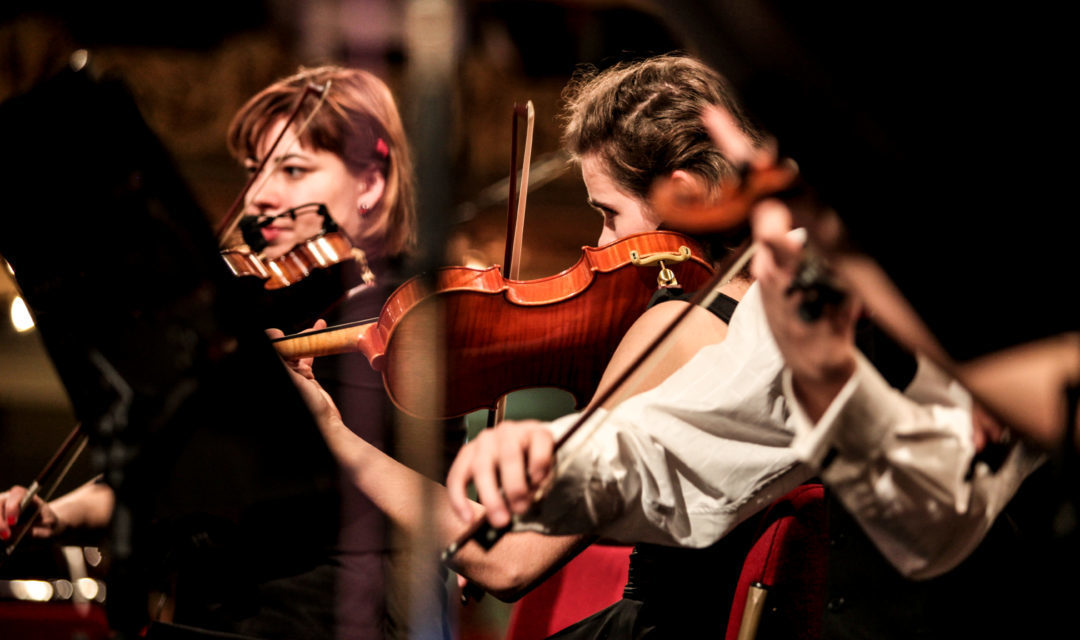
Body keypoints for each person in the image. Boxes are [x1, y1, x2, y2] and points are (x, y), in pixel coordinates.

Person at [445, 88, 1049, 638]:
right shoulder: (797, 275)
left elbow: (938, 524)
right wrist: (559, 457)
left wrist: (831, 378)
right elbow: (693, 429)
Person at [279, 53, 780, 638]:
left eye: (610, 213)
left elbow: (508, 561)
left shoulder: (679, 327)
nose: (601, 243)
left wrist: (337, 437)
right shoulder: (767, 315)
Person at [2, 64, 430, 640]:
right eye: (254, 171)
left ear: (371, 184)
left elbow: (432, 508)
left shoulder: (414, 319)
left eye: (293, 169)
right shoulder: (245, 308)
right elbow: (168, 474)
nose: (258, 196)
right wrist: (55, 513)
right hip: (203, 612)